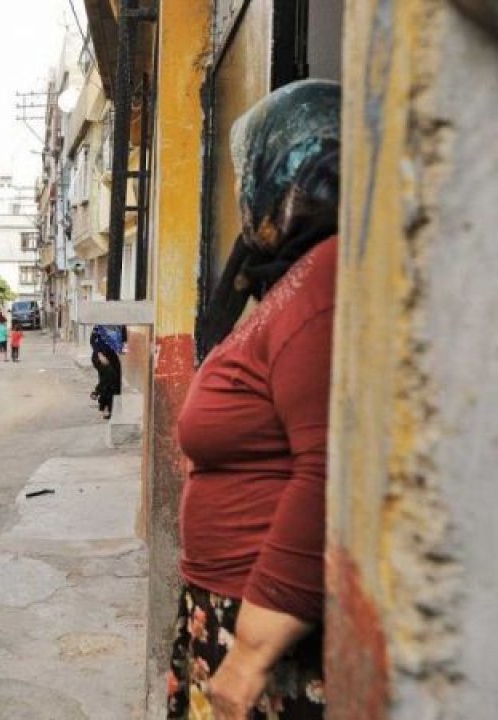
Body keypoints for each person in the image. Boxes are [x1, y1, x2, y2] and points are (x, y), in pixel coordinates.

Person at [167, 80, 341, 719]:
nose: (244, 193)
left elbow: (327, 475)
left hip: (266, 628)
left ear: (288, 171)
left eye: (252, 172)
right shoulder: (291, 279)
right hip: (233, 607)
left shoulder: (325, 276)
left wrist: (251, 654)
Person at [89, 326, 121, 419]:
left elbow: (122, 342)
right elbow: (92, 340)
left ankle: (110, 409)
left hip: (112, 356)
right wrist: (100, 354)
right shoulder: (99, 326)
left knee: (115, 382)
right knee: (110, 374)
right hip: (99, 355)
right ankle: (98, 392)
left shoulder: (118, 326)